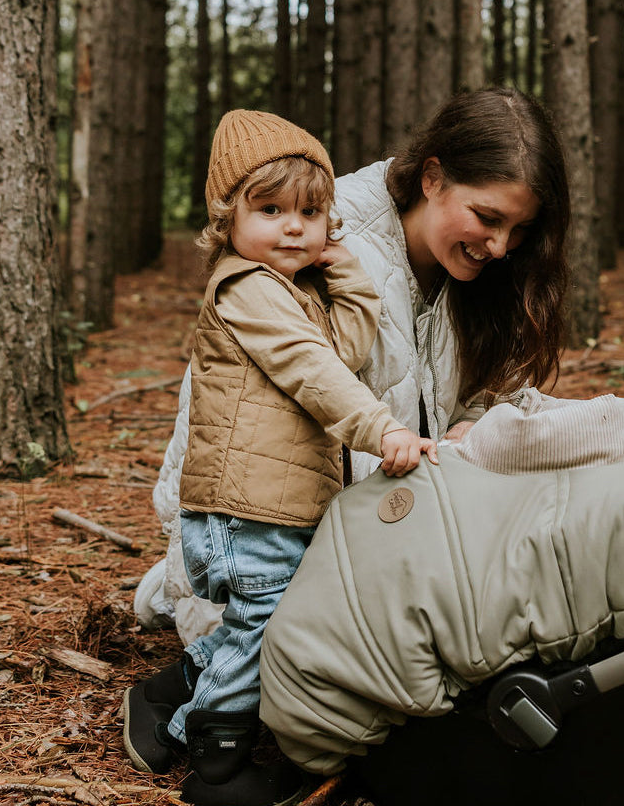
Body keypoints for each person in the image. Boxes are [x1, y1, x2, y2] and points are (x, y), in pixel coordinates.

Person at [128, 87, 571, 795]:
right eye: (488, 219)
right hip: (260, 534)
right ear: (432, 178)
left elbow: (480, 397)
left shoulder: (468, 272)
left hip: (362, 529)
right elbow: (261, 413)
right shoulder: (312, 243)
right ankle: (191, 703)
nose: (500, 247)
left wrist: (481, 430)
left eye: (517, 231)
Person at [122, 109, 437, 806]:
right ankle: (217, 759)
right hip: (242, 507)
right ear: (226, 218)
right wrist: (381, 428)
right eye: (270, 209)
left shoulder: (298, 291)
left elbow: (345, 349)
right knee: (267, 630)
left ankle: (168, 709)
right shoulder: (247, 289)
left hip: (277, 504)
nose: (294, 226)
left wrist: (348, 274)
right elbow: (315, 373)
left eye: (311, 211)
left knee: (273, 622)